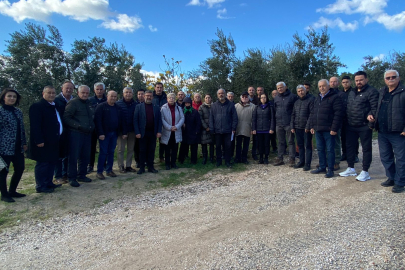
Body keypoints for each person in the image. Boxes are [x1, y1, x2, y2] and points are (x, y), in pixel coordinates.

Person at [339, 72, 378, 181]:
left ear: (366, 80)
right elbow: (347, 107)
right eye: (357, 80)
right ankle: (351, 168)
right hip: (351, 125)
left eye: (361, 80)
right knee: (349, 147)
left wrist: (371, 124)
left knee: (366, 149)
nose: (358, 82)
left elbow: (375, 108)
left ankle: (365, 171)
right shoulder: (351, 92)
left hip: (364, 126)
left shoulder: (372, 91)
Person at [374, 70, 405, 193]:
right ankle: (391, 177)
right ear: (384, 80)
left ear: (398, 78)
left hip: (398, 132)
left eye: (393, 77)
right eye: (388, 78)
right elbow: (378, 108)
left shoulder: (403, 92)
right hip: (382, 131)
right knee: (386, 156)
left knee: (401, 158)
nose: (390, 79)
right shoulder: (382, 92)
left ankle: (400, 182)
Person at [28, 86, 62, 193]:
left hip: (54, 140)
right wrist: (38, 140)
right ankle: (41, 186)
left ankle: (48, 183)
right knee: (42, 163)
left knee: (51, 162)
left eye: (53, 93)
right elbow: (35, 125)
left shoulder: (54, 106)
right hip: (43, 141)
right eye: (49, 93)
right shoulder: (37, 106)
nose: (51, 95)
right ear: (43, 94)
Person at [309, 79, 343, 178]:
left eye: (323, 86)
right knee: (320, 149)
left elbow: (338, 114)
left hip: (329, 130)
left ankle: (331, 170)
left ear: (328, 86)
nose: (322, 88)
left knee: (330, 150)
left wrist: (334, 128)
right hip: (318, 129)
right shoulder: (317, 98)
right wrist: (312, 126)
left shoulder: (334, 97)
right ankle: (322, 167)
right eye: (320, 86)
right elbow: (313, 113)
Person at [64, 85, 95, 187]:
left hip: (87, 133)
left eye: (87, 93)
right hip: (75, 133)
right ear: (78, 93)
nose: (85, 94)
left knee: (85, 155)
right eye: (83, 93)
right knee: (73, 156)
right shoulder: (73, 103)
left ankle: (82, 175)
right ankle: (72, 178)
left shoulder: (89, 103)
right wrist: (78, 126)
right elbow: (67, 118)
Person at [0, 88, 27, 202]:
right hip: (3, 148)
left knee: (20, 168)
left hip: (18, 147)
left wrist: (24, 142)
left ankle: (12, 191)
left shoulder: (18, 111)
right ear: (3, 97)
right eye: (9, 96)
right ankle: (4, 195)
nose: (12, 98)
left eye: (14, 97)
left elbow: (22, 129)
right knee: (3, 172)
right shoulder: (1, 112)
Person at [94, 91, 126, 179]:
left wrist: (123, 132)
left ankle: (109, 170)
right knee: (103, 152)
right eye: (111, 96)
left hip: (114, 133)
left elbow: (122, 121)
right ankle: (99, 171)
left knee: (111, 152)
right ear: (107, 96)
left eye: (115, 96)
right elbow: (97, 121)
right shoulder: (101, 107)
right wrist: (100, 133)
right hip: (104, 134)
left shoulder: (118, 108)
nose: (113, 98)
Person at [134, 90, 162, 174]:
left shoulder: (156, 107)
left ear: (152, 97)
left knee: (151, 150)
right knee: (142, 150)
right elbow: (135, 120)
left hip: (152, 132)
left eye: (150, 96)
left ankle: (151, 167)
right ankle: (141, 167)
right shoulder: (139, 107)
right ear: (144, 96)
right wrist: (137, 132)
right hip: (142, 132)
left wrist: (159, 131)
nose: (148, 97)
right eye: (147, 96)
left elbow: (159, 120)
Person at [209, 88, 238, 168]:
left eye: (222, 93)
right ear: (217, 95)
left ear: (225, 94)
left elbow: (235, 118)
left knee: (228, 147)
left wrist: (233, 128)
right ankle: (219, 162)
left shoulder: (231, 105)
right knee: (218, 147)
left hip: (228, 130)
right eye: (219, 93)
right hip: (217, 130)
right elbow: (211, 118)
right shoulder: (214, 105)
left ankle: (228, 162)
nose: (221, 95)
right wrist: (211, 128)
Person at [53, 81, 74, 185]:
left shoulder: (74, 100)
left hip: (71, 130)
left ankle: (65, 173)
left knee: (68, 153)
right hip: (59, 131)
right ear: (62, 88)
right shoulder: (56, 100)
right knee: (58, 154)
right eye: (67, 88)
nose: (69, 90)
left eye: (71, 88)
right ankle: (58, 175)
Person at [273, 82, 298, 166]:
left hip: (289, 123)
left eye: (281, 87)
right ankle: (280, 158)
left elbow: (295, 111)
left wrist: (293, 123)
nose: (280, 89)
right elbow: (275, 110)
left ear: (285, 87)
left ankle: (292, 159)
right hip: (279, 123)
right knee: (280, 142)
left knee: (291, 141)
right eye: (278, 88)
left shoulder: (292, 97)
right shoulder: (276, 98)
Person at [291, 85, 315, 171]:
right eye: (299, 91)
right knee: (300, 145)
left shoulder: (311, 100)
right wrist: (292, 126)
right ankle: (301, 161)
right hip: (297, 127)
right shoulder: (296, 102)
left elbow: (312, 114)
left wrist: (308, 126)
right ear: (297, 92)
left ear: (305, 91)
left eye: (302, 90)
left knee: (308, 146)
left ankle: (308, 164)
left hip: (306, 128)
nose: (301, 92)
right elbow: (293, 114)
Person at [160, 93, 185, 170]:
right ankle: (167, 163)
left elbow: (182, 118)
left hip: (176, 131)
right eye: (170, 98)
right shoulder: (163, 108)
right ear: (167, 99)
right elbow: (162, 119)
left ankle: (173, 163)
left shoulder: (179, 108)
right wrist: (169, 127)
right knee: (167, 148)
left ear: (175, 99)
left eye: (173, 98)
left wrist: (177, 127)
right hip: (167, 131)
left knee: (175, 148)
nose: (171, 99)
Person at [116, 87, 137, 173]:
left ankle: (128, 166)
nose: (128, 94)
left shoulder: (135, 104)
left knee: (130, 149)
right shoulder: (118, 104)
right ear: (123, 94)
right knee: (121, 149)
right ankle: (121, 166)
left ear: (132, 94)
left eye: (130, 92)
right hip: (121, 131)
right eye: (126, 92)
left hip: (132, 130)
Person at [87, 82, 106, 173]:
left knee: (104, 147)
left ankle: (104, 164)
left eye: (101, 89)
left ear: (104, 90)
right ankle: (90, 165)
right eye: (97, 89)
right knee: (91, 147)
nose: (99, 91)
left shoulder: (107, 100)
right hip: (92, 128)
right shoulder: (89, 100)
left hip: (104, 128)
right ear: (94, 90)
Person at [340, 76, 359, 163]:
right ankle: (344, 153)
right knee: (343, 137)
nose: (345, 83)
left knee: (353, 138)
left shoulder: (354, 92)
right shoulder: (340, 93)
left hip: (352, 118)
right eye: (343, 82)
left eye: (347, 82)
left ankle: (355, 155)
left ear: (350, 82)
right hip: (343, 118)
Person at [178, 97, 201, 164]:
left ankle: (193, 160)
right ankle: (181, 159)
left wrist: (197, 131)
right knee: (183, 146)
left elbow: (198, 122)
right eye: (185, 103)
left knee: (194, 147)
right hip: (184, 131)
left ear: (190, 103)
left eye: (188, 103)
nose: (187, 104)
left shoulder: (195, 112)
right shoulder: (181, 111)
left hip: (193, 131)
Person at [234, 91, 256, 164]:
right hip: (238, 128)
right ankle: (237, 158)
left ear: (248, 97)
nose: (244, 98)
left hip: (248, 128)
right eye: (243, 97)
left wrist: (253, 128)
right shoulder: (236, 106)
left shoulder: (253, 106)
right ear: (241, 97)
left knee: (246, 145)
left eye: (246, 96)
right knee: (238, 144)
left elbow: (254, 119)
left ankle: (244, 158)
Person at [329, 76, 345, 170]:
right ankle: (328, 160)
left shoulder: (341, 94)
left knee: (336, 142)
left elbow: (340, 110)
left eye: (335, 82)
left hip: (336, 122)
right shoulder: (327, 94)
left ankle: (336, 161)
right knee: (327, 143)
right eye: (331, 82)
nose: (333, 83)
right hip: (326, 123)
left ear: (338, 83)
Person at [152, 82, 167, 163]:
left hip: (164, 121)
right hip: (153, 122)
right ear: (155, 88)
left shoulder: (165, 98)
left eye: (161, 87)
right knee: (152, 142)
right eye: (157, 87)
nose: (159, 89)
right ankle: (151, 158)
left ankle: (161, 157)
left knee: (163, 141)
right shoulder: (152, 97)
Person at [199, 94, 215, 164]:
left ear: (211, 99)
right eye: (206, 98)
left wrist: (212, 127)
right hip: (204, 128)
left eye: (209, 97)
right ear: (204, 99)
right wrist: (206, 127)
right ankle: (205, 158)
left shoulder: (214, 106)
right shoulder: (201, 107)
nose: (208, 99)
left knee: (211, 144)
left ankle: (211, 158)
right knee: (204, 144)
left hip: (212, 128)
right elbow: (200, 118)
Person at [134, 89, 145, 167]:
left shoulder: (148, 104)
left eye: (142, 94)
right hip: (137, 128)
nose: (140, 96)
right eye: (139, 94)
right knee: (137, 146)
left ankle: (146, 160)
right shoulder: (135, 104)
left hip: (146, 129)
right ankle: (138, 161)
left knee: (146, 146)